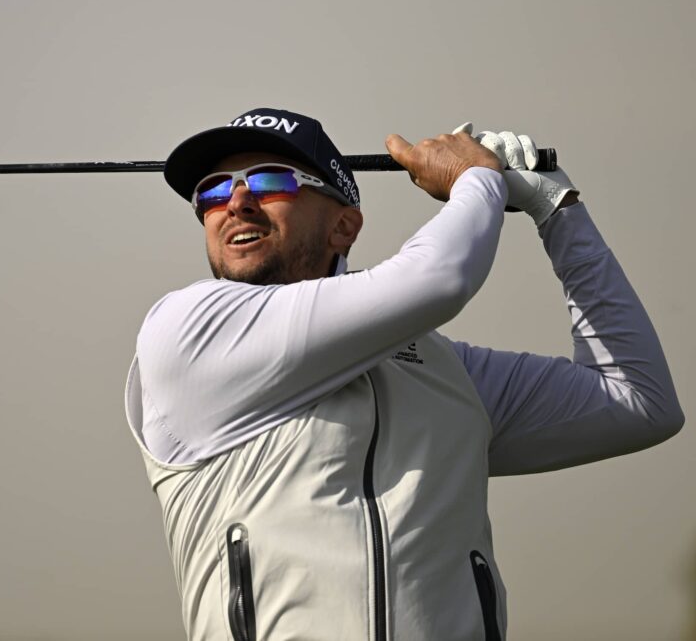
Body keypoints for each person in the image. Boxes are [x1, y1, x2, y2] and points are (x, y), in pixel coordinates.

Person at [123, 107, 683, 641]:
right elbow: (439, 278)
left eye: (271, 180)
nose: (237, 202)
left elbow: (639, 401)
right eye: (212, 192)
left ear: (344, 226)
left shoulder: (441, 368)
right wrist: (478, 180)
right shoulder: (187, 331)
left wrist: (558, 208)